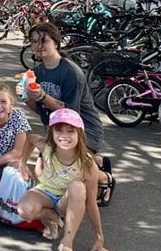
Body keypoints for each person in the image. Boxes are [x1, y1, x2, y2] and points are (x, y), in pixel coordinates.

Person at [17, 109, 117, 251]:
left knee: (77, 186)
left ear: (79, 134)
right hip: (46, 193)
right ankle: (52, 216)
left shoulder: (87, 162)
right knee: (24, 210)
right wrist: (22, 163)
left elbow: (91, 203)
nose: (64, 136)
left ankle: (66, 245)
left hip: (68, 199)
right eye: (59, 130)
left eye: (71, 131)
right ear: (52, 132)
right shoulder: (47, 148)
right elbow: (30, 139)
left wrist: (99, 237)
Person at [24, 22, 112, 204]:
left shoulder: (71, 72)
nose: (38, 46)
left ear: (56, 42)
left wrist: (42, 95)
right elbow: (41, 110)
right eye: (34, 41)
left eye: (43, 41)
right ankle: (94, 162)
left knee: (66, 173)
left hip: (83, 131)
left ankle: (104, 178)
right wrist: (28, 98)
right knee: (46, 173)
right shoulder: (37, 72)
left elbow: (71, 115)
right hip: (57, 132)